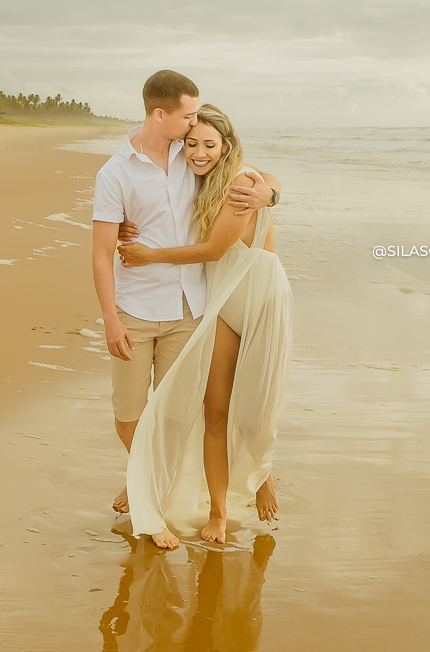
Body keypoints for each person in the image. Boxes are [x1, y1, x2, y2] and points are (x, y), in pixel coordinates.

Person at [92, 73, 278, 514]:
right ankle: (144, 476)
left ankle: (257, 476)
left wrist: (271, 191)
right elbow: (106, 250)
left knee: (219, 403)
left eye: (201, 131)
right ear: (164, 116)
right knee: (154, 414)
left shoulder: (202, 162)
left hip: (217, 300)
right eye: (189, 122)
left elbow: (249, 174)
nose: (195, 137)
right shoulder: (133, 168)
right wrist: (111, 318)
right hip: (168, 301)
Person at [118, 105, 292, 550]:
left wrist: (147, 256)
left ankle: (262, 475)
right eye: (191, 143)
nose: (198, 153)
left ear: (226, 146)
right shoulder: (191, 180)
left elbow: (215, 249)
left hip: (260, 299)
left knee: (255, 409)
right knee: (215, 410)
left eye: (209, 145)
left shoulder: (241, 183)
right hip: (218, 301)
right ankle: (216, 509)